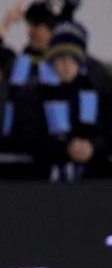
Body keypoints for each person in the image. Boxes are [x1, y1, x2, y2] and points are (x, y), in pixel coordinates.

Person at [6, 21, 109, 180]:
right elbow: (26, 139)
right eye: (61, 59)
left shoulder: (95, 92)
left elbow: (107, 133)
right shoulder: (32, 94)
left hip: (90, 180)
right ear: (52, 61)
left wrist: (92, 148)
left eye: (72, 59)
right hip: (43, 181)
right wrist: (65, 149)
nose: (67, 66)